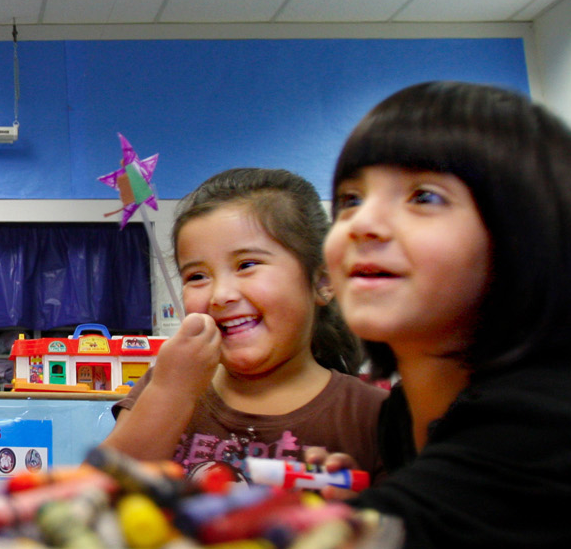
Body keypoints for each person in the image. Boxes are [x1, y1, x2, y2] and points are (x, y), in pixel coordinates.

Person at [325, 81, 571, 549]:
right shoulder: (402, 414)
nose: (362, 224)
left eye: (424, 197)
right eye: (350, 199)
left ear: (526, 242)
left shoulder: (547, 420)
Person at [103, 168, 386, 483]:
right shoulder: (167, 382)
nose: (220, 296)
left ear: (322, 280)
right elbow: (96, 495)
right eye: (197, 276)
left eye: (247, 265)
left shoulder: (374, 416)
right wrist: (171, 393)